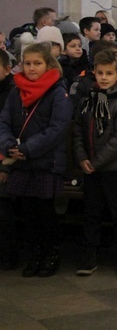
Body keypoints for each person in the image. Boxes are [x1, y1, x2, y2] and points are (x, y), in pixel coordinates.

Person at [0, 43, 72, 277]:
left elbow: (57, 128)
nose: (31, 69)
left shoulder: (57, 91)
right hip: (21, 161)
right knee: (28, 212)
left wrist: (28, 149)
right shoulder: (15, 90)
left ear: (48, 64)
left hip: (45, 161)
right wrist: (9, 145)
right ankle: (34, 255)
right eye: (28, 63)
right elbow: (4, 122)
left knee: (45, 212)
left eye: (37, 64)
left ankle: (51, 255)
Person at [72, 49, 117, 277]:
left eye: (109, 73)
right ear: (94, 73)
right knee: (91, 214)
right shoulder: (88, 100)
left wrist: (96, 162)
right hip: (90, 167)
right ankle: (89, 259)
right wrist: (82, 158)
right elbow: (78, 131)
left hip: (113, 168)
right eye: (100, 73)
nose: (104, 77)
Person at [0, 49, 16, 270]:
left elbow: (10, 130)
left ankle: (7, 256)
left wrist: (5, 165)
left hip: (6, 158)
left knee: (3, 209)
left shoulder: (12, 94)